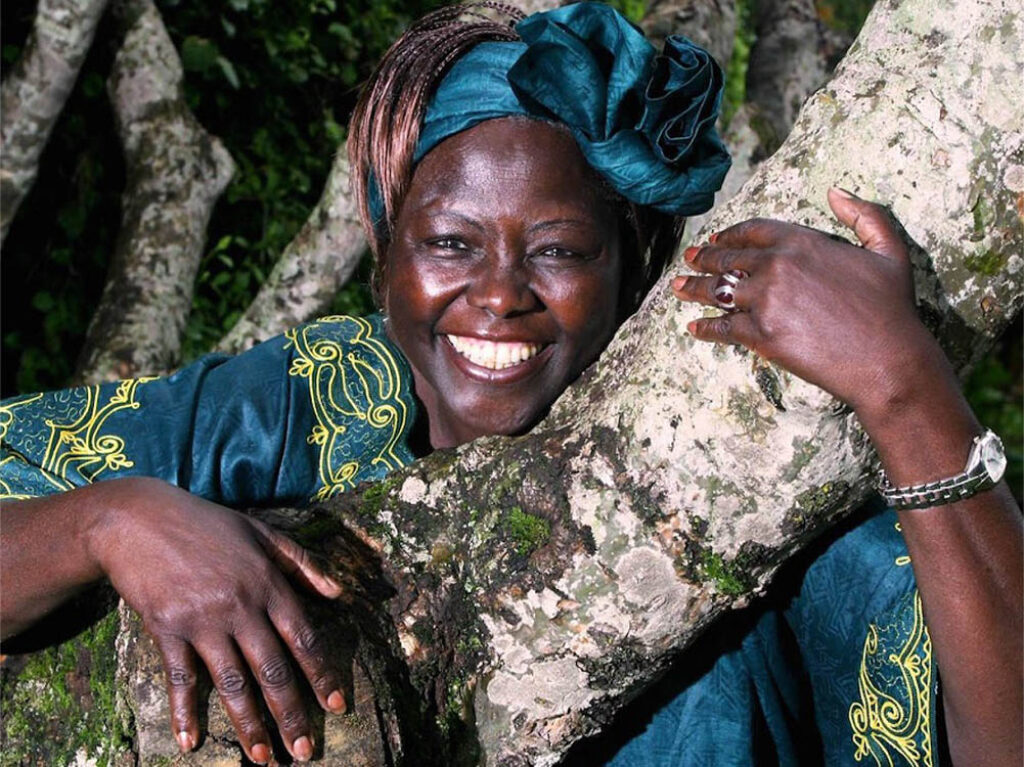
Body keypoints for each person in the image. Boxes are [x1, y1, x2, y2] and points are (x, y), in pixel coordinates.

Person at [1, 3, 1019, 765]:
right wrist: (110, 518)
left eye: (560, 250)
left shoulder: (733, 474)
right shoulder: (316, 400)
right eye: (448, 241)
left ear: (631, 266)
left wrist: (902, 388)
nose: (498, 296)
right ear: (386, 248)